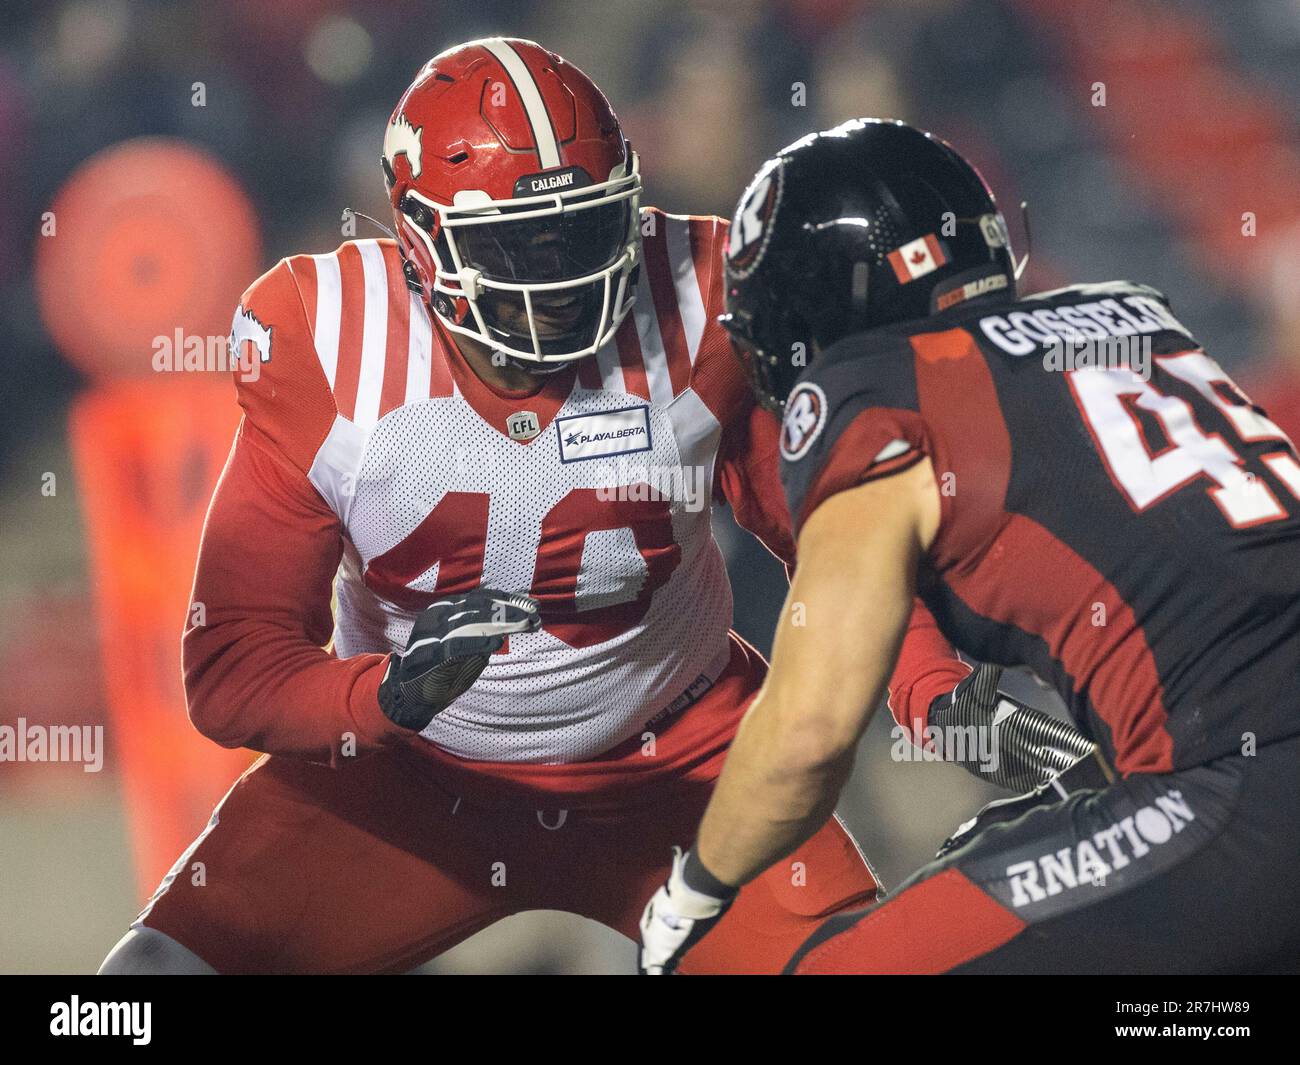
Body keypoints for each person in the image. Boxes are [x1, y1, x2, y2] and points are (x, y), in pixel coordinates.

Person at [98, 43, 982, 975]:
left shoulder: (706, 293)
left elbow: (832, 533)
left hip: (684, 770)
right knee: (138, 995)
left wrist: (930, 685)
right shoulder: (326, 345)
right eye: (518, 245)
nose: (561, 277)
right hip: (410, 785)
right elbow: (233, 667)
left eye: (588, 230)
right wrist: (385, 697)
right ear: (420, 242)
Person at [638, 118, 1300, 975]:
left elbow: (806, 735)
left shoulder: (876, 398)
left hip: (1239, 796)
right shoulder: (1132, 323)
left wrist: (692, 892)